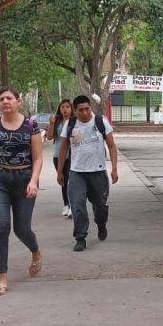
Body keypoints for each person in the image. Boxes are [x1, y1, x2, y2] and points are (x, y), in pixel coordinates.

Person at [0, 87, 45, 296]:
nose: (5, 101)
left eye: (9, 98)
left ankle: (35, 252)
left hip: (24, 179)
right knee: (2, 226)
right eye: (1, 99)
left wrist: (34, 181)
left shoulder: (30, 125)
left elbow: (38, 158)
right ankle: (2, 278)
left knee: (22, 229)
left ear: (18, 101)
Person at [57, 94, 118, 252]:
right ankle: (80, 237)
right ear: (75, 111)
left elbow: (111, 145)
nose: (84, 113)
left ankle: (101, 223)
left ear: (90, 107)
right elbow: (63, 148)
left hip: (98, 172)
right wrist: (60, 171)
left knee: (100, 206)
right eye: (80, 110)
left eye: (87, 109)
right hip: (77, 172)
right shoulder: (70, 124)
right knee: (77, 206)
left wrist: (114, 169)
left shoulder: (100, 122)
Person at [44, 98, 73, 218]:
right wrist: (51, 124)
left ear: (71, 109)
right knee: (62, 180)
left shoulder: (74, 121)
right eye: (62, 107)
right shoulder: (56, 121)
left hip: (72, 155)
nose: (65, 109)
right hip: (58, 155)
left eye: (67, 107)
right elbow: (49, 137)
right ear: (59, 109)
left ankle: (71, 205)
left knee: (70, 181)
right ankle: (66, 204)